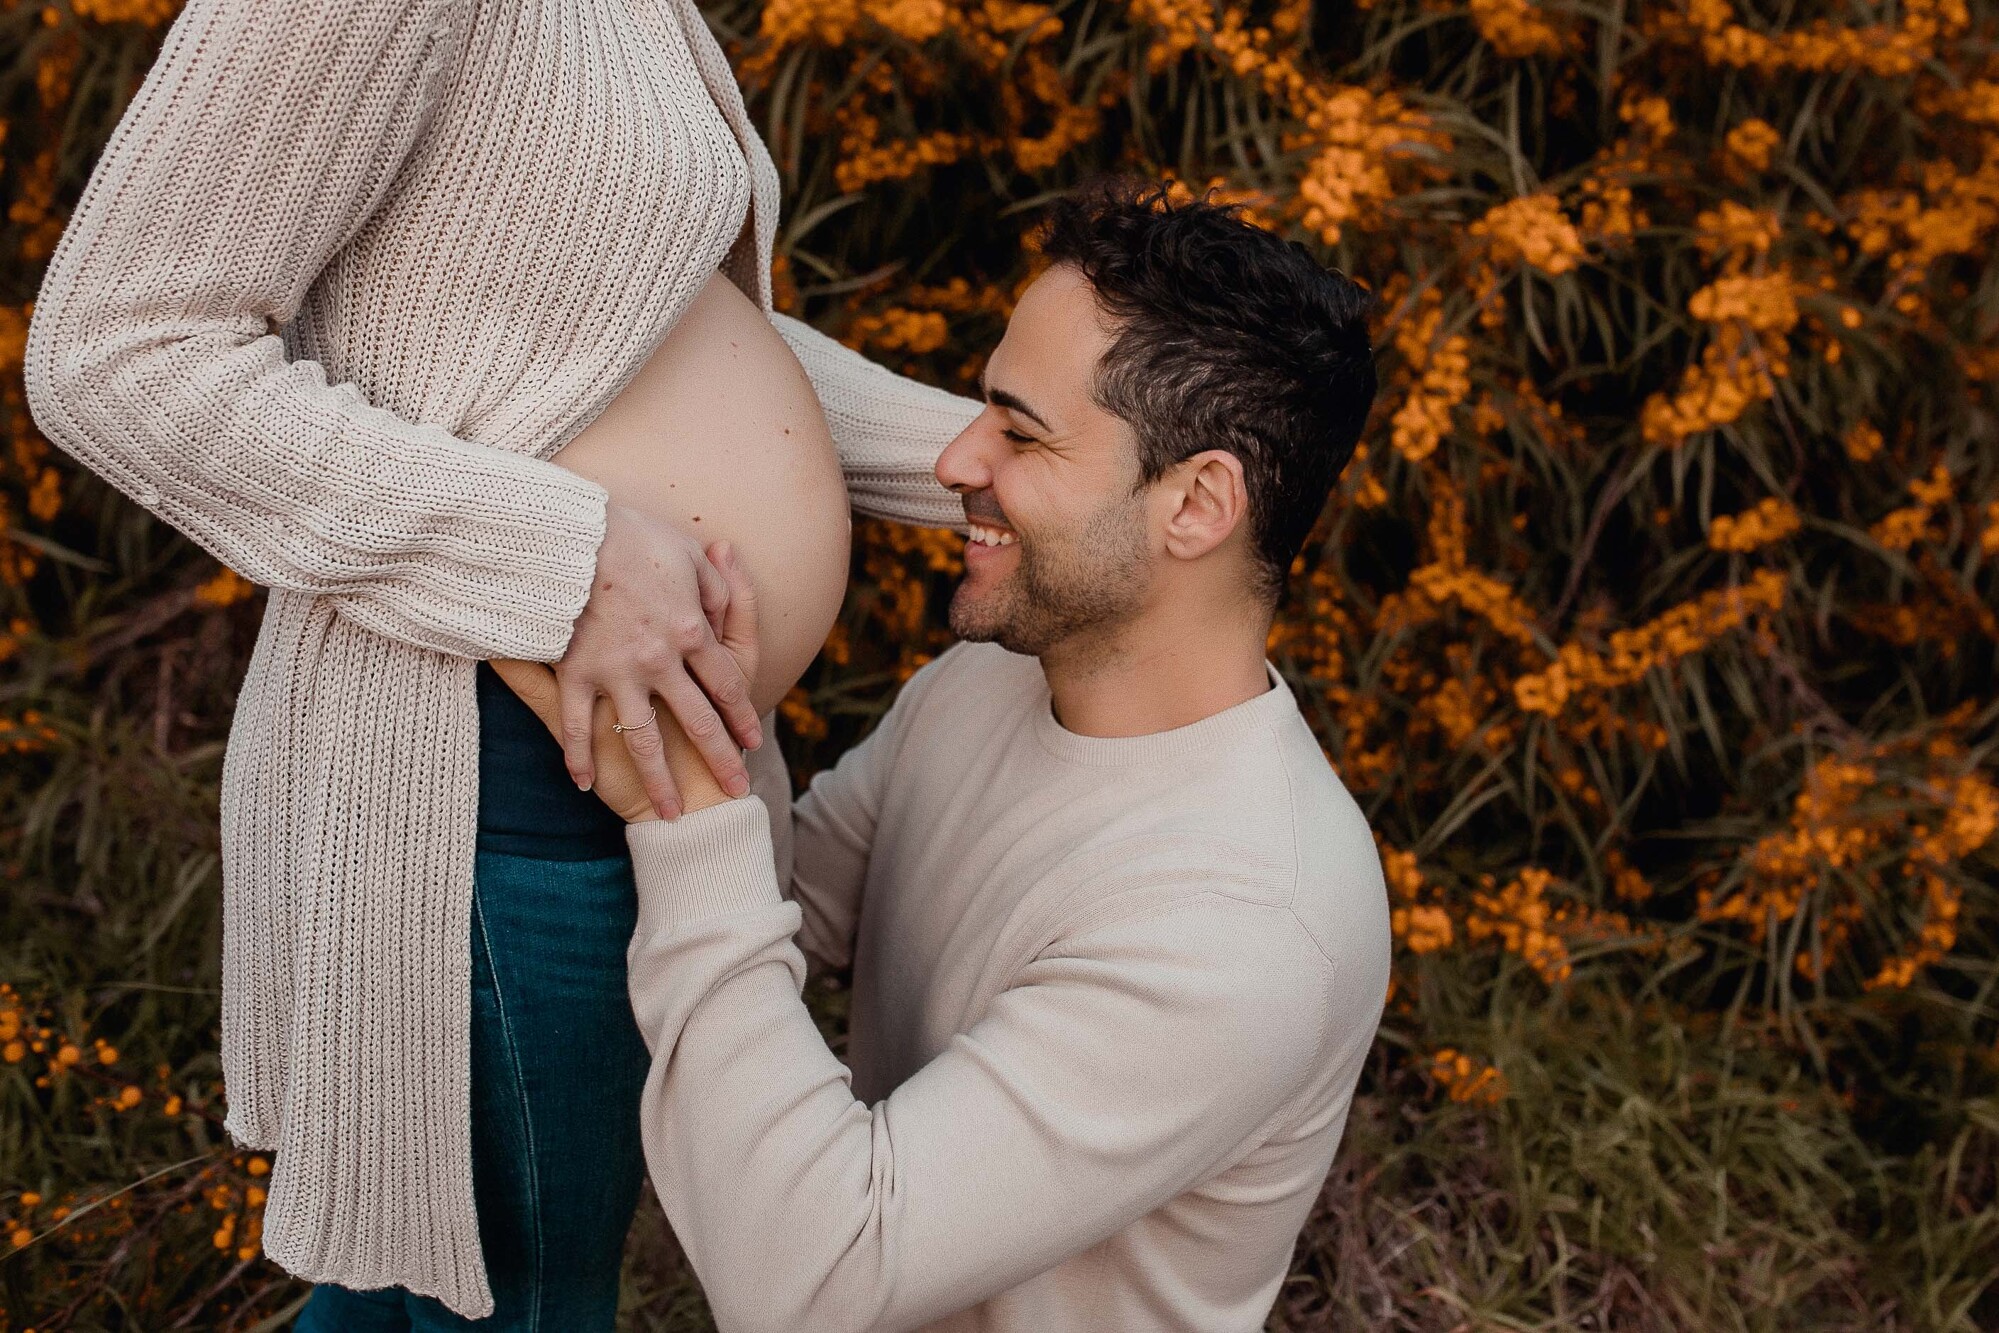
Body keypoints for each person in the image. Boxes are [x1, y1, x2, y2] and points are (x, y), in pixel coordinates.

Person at [22, 0, 980, 1322]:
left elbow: (629, 325)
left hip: (580, 780)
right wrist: (564, 554)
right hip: (485, 788)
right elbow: (116, 353)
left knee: (427, 1310)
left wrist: (994, 464)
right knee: (508, 1306)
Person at [498, 183, 1392, 1332]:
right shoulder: (994, 679)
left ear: (1197, 504)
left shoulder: (1245, 927)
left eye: (1020, 432)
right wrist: (699, 691)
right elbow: (779, 905)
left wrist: (686, 808)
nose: (955, 459)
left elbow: (806, 1274)